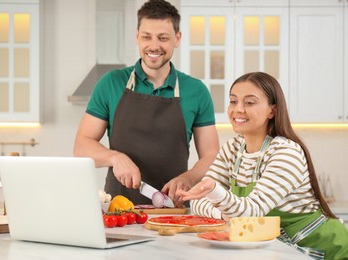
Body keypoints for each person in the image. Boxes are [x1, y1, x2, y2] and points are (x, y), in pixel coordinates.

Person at [178, 72, 348, 259]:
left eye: (249, 102)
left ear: (272, 111)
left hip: (323, 249)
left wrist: (215, 193)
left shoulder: (285, 152)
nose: (238, 109)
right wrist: (226, 212)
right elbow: (197, 202)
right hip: (277, 250)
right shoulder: (233, 148)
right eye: (233, 101)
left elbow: (249, 215)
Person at [74, 0, 219, 207]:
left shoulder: (196, 91)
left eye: (163, 38)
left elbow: (211, 155)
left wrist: (188, 178)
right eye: (146, 37)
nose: (154, 46)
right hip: (119, 209)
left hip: (174, 209)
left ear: (177, 39)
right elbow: (81, 146)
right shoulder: (111, 83)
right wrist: (115, 158)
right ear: (137, 37)